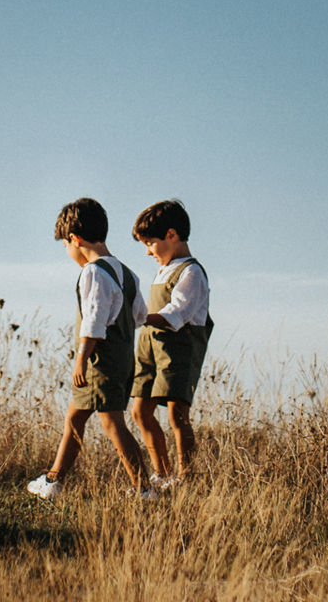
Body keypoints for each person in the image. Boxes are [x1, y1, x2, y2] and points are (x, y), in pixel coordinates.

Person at [27, 198, 153, 500]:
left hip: (99, 360)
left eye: (66, 246)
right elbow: (139, 316)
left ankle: (144, 489)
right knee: (75, 416)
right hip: (123, 359)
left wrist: (81, 359)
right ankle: (53, 481)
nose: (68, 252)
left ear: (75, 239)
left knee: (111, 422)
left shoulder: (93, 272)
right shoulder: (128, 274)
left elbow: (94, 319)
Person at [129, 198, 213, 487]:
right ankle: (161, 473)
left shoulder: (191, 272)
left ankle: (185, 478)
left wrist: (138, 317)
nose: (148, 251)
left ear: (172, 235)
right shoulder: (163, 269)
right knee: (140, 412)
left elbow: (175, 314)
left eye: (150, 243)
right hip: (150, 348)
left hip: (179, 349)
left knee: (178, 416)